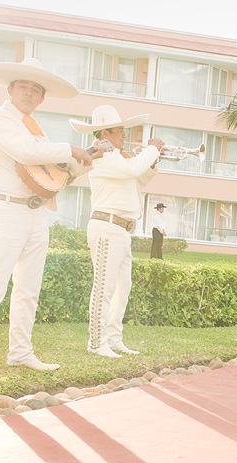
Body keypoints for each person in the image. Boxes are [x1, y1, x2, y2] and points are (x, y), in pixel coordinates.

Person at [0, 58, 106, 378]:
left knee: (28, 288)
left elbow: (52, 177)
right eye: (23, 87)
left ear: (42, 99)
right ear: (10, 89)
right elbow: (27, 153)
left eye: (36, 90)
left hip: (35, 212)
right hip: (3, 209)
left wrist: (86, 158)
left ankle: (20, 352)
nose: (29, 93)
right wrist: (71, 149)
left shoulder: (36, 130)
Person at [70, 105, 163, 358]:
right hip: (108, 226)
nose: (124, 136)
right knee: (104, 288)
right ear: (104, 135)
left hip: (121, 229)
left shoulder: (117, 157)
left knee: (123, 288)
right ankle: (97, 343)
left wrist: (152, 163)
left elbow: (137, 180)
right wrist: (152, 147)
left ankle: (113, 338)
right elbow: (133, 170)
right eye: (120, 132)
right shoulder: (103, 156)